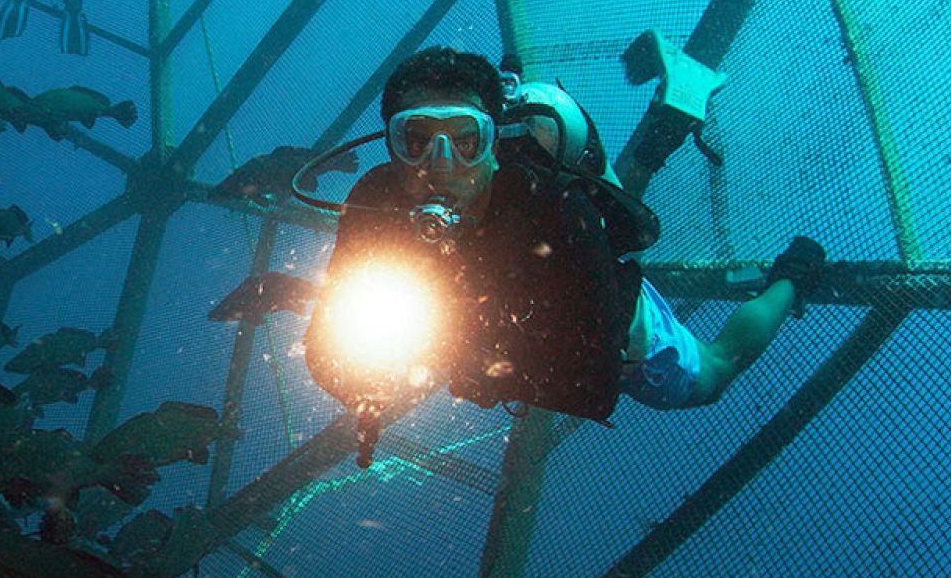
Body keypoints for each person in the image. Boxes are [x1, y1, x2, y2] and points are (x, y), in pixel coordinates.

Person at [304, 47, 824, 437]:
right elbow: (328, 341)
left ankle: (790, 280)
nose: (440, 165)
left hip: (602, 320)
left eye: (466, 139)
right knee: (611, 191)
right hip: (500, 317)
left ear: (495, 144)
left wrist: (470, 361)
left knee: (712, 373)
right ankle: (670, 118)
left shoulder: (554, 209)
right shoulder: (372, 202)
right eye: (415, 140)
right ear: (391, 148)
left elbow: (593, 383)